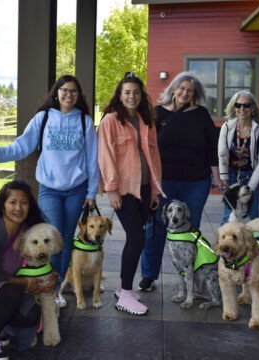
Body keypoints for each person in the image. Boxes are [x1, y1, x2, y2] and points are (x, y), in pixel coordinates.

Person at [0, 75, 100, 309]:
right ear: (56, 93)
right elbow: (22, 146)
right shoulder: (43, 118)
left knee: (64, 240)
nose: (69, 95)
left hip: (77, 190)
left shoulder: (85, 122)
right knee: (51, 238)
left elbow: (92, 160)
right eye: (64, 90)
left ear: (78, 96)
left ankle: (54, 289)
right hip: (49, 190)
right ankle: (47, 286)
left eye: (74, 91)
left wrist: (92, 191)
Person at [138, 71, 222, 292]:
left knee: (190, 230)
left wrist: (216, 176)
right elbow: (147, 148)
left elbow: (211, 148)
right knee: (155, 229)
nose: (185, 93)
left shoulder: (202, 115)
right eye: (182, 88)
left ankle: (191, 277)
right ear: (174, 89)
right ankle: (149, 275)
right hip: (163, 182)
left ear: (195, 94)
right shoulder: (157, 113)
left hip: (196, 182)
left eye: (190, 91)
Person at [97, 72, 164, 315]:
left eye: (136, 92)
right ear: (119, 95)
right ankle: (125, 294)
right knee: (137, 238)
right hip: (124, 190)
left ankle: (123, 287)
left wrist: (155, 191)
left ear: (141, 95)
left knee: (136, 238)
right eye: (127, 92)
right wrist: (111, 189)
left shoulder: (146, 120)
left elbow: (154, 157)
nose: (132, 96)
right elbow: (105, 156)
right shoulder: (110, 121)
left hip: (145, 188)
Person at [0, 180, 57, 359]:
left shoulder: (28, 230)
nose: (18, 208)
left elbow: (41, 261)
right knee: (14, 292)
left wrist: (52, 277)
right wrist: (26, 283)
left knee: (32, 314)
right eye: (12, 202)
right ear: (3, 206)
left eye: (24, 202)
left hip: (9, 288)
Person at [218, 90, 259, 223]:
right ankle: (226, 243)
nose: (242, 108)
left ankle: (251, 243)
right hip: (232, 174)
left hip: (252, 175)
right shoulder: (227, 127)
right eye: (238, 105)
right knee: (228, 216)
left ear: (252, 108)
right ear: (234, 107)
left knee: (252, 216)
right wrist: (224, 177)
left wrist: (250, 187)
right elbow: (222, 153)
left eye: (246, 105)